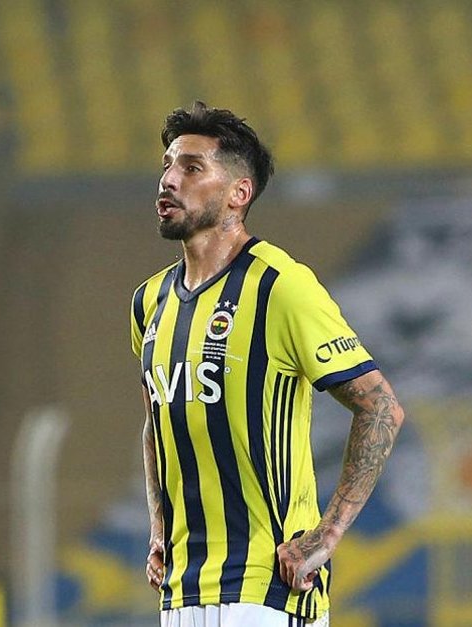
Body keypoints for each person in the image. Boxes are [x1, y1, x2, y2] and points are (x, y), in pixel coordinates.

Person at [131, 101, 406, 627]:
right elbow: (157, 421)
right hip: (182, 591)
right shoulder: (150, 303)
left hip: (269, 588)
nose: (169, 180)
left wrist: (327, 535)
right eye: (167, 165)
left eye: (192, 168)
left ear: (239, 194)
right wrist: (159, 527)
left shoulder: (281, 286)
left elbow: (380, 407)